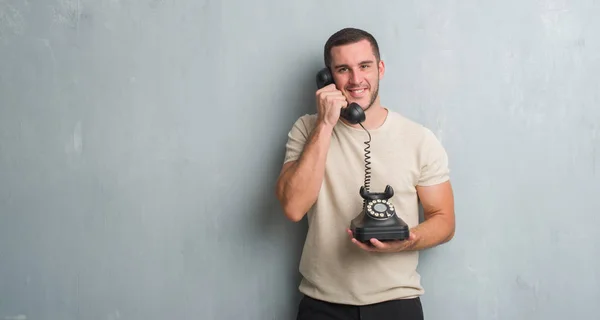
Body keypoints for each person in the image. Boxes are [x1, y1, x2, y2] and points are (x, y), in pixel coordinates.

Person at [275, 27, 455, 320]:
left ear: (380, 68)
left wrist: (408, 239)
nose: (356, 79)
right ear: (328, 78)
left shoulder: (418, 138)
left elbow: (445, 220)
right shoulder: (307, 130)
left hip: (397, 302)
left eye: (365, 66)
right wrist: (325, 124)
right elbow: (293, 207)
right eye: (343, 69)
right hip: (322, 304)